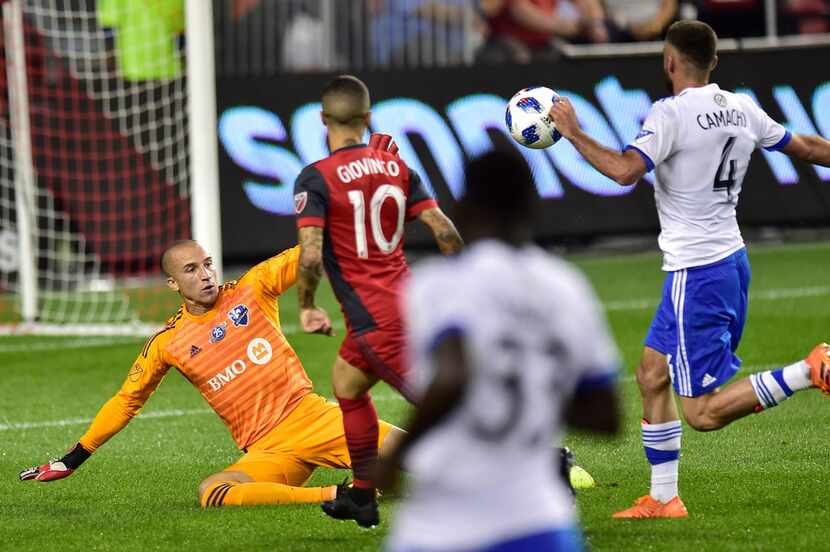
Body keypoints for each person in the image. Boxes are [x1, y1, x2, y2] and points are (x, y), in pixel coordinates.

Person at [548, 19, 830, 519]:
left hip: (696, 272)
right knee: (651, 374)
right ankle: (663, 498)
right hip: (729, 261)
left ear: (669, 62)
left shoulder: (670, 114)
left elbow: (624, 171)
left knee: (702, 412)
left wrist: (572, 133)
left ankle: (810, 370)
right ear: (714, 62)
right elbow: (805, 147)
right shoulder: (740, 108)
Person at [20, 240, 406, 508]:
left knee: (416, 450)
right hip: (267, 450)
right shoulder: (167, 342)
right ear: (173, 283)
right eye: (191, 269)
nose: (205, 275)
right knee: (214, 491)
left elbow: (305, 254)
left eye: (207, 264)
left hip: (311, 419)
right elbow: (127, 401)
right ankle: (339, 496)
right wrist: (73, 458)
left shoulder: (252, 290)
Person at [378, 150, 622, 552]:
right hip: (542, 522)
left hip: (445, 523)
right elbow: (606, 417)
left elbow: (454, 375)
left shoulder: (439, 283)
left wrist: (396, 456)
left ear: (463, 206)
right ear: (532, 205)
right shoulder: (566, 286)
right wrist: (532, 387)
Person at [293, 75, 464, 527]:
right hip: (403, 304)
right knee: (347, 385)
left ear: (322, 118)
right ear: (369, 118)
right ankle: (363, 496)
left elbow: (310, 254)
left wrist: (307, 305)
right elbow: (445, 232)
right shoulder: (399, 169)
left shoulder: (316, 177)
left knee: (447, 413)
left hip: (376, 322)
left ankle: (543, 467)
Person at [476, 0, 608, 64]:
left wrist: (595, 23)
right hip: (507, 41)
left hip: (544, 41)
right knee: (519, 58)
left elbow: (588, 3)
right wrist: (569, 27)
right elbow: (522, 13)